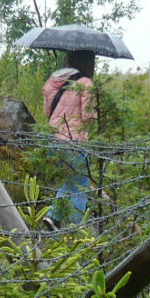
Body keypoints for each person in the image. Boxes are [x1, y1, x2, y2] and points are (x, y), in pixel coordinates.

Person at [42, 49, 96, 227]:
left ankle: (52, 218)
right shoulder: (86, 82)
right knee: (79, 185)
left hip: (54, 142)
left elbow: (47, 113)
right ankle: (76, 229)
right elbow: (88, 117)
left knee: (69, 183)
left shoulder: (53, 82)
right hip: (74, 142)